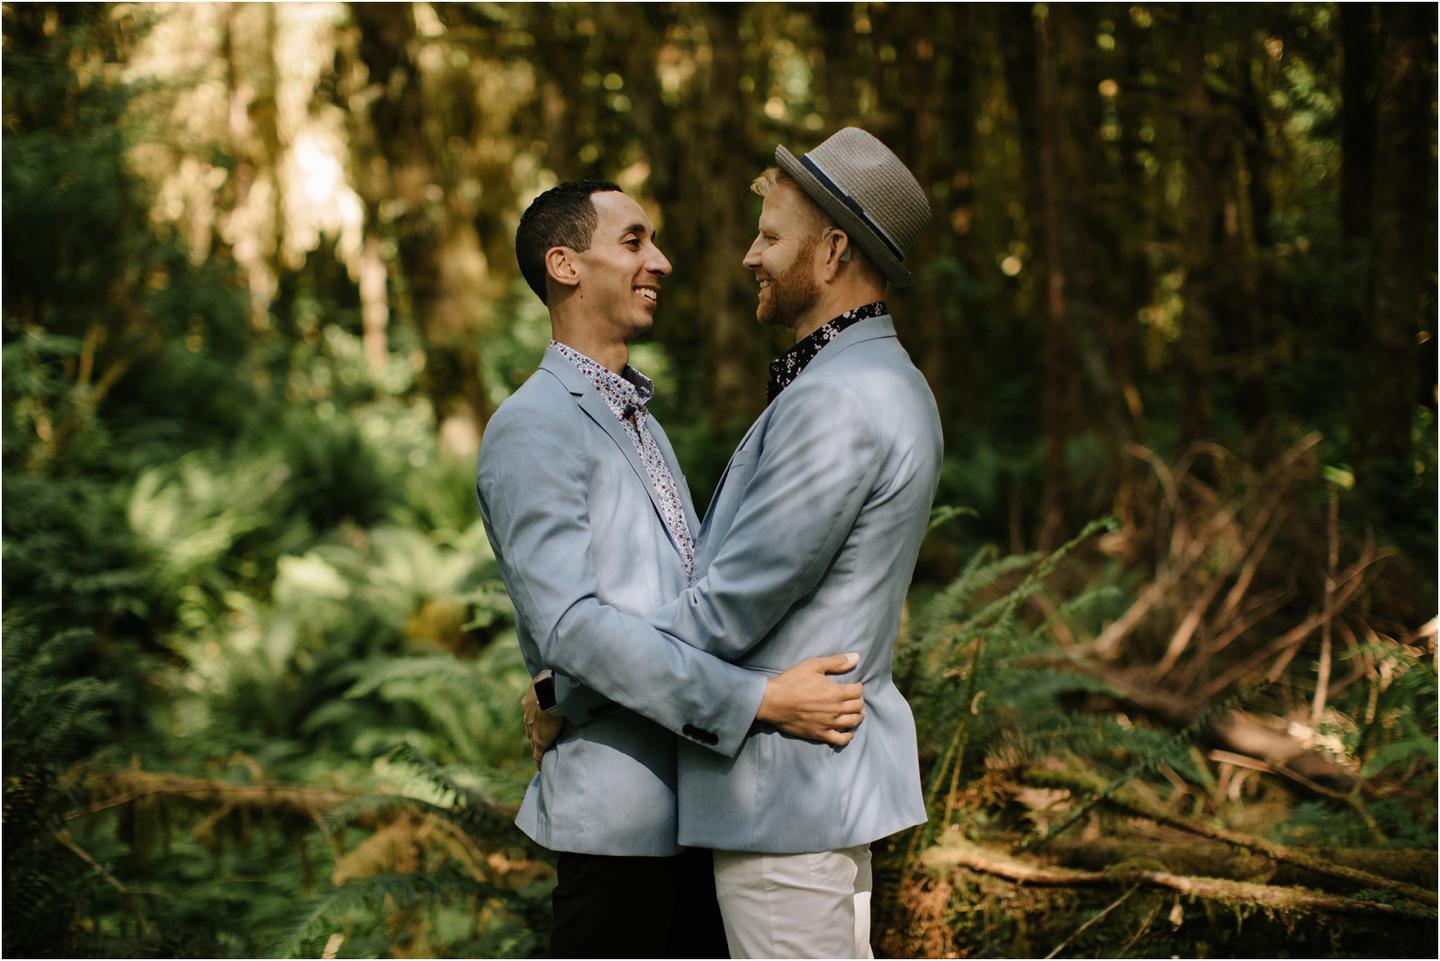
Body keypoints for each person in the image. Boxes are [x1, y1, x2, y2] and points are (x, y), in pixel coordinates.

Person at [526, 128, 942, 959]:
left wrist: (563, 694)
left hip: (785, 802)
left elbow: (722, 610)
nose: (750, 255)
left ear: (830, 253)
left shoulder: (840, 400)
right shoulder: (874, 382)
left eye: (771, 237)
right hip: (812, 797)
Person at [475, 179, 868, 958]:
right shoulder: (531, 427)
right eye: (633, 241)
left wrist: (561, 690)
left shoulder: (642, 424)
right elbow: (574, 628)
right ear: (565, 264)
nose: (660, 259)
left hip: (702, 818)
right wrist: (758, 700)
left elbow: (683, 606)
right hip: (620, 832)